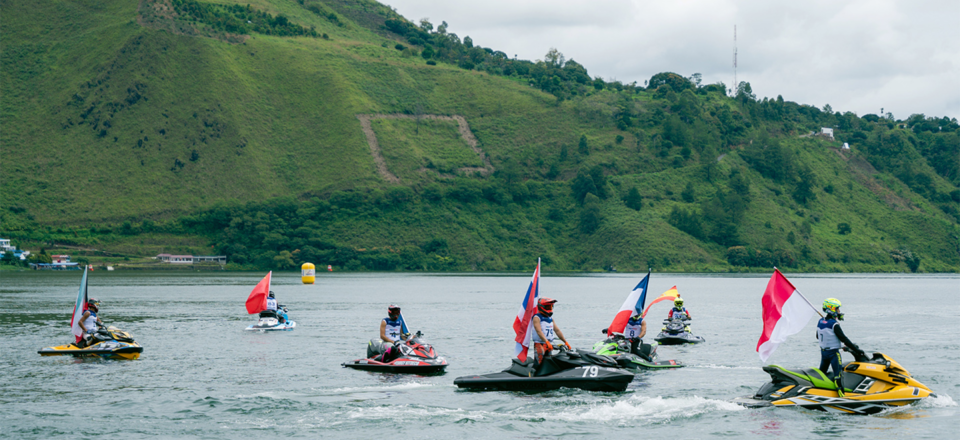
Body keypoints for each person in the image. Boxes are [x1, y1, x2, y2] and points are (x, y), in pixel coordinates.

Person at [817, 298, 862, 396]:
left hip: (824, 353)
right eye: (837, 309)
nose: (839, 311)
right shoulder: (834, 324)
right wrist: (857, 350)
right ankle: (842, 396)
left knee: (822, 373)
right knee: (838, 375)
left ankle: (819, 392)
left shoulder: (820, 321)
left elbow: (818, 336)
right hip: (833, 354)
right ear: (831, 309)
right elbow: (844, 339)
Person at [531, 298, 572, 364]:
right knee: (538, 363)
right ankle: (532, 373)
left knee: (548, 362)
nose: (549, 308)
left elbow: (557, 330)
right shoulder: (537, 318)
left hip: (549, 344)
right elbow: (539, 331)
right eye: (547, 307)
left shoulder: (550, 319)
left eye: (550, 307)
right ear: (542, 307)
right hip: (540, 344)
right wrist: (546, 341)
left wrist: (565, 341)